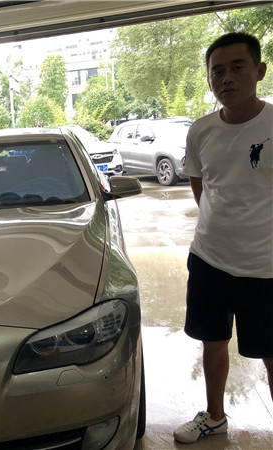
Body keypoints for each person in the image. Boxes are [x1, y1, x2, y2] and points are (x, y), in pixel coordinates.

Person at [174, 32, 272, 444]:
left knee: (270, 352)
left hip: (265, 268)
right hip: (209, 260)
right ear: (209, 79)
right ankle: (214, 417)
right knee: (212, 342)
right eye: (217, 71)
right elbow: (202, 189)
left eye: (237, 67)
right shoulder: (201, 130)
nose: (226, 77)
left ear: (259, 71)